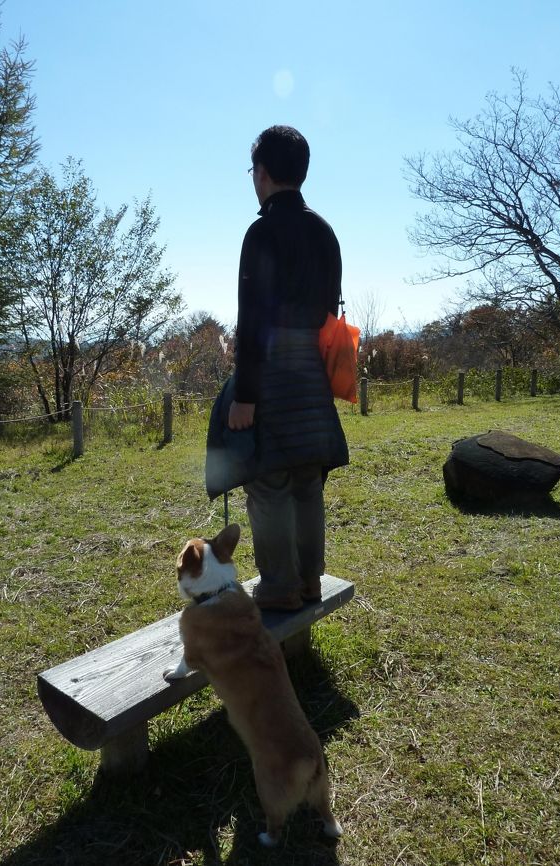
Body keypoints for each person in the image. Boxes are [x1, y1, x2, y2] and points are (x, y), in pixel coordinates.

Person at [226, 125, 349, 611]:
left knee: (268, 481)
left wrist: (246, 395)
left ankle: (278, 587)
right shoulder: (324, 231)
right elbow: (331, 313)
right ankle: (309, 581)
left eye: (252, 169)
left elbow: (252, 321)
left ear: (263, 172)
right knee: (306, 482)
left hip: (273, 376)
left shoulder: (261, 231)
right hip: (314, 375)